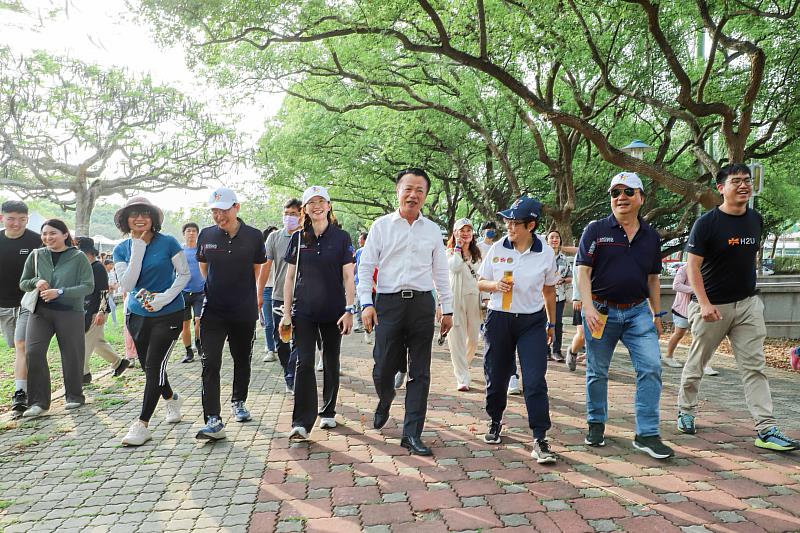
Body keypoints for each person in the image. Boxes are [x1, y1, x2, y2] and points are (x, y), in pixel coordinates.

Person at [677, 164, 799, 451]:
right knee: (698, 362)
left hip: (747, 305)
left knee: (755, 367)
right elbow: (692, 266)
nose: (743, 186)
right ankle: (686, 410)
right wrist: (704, 303)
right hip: (711, 308)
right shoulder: (706, 224)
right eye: (736, 182)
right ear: (721, 188)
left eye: (747, 181)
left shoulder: (755, 219)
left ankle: (766, 428)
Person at [576, 172, 674, 460]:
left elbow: (653, 278)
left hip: (637, 313)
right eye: (615, 192)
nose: (621, 197)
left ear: (641, 198)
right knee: (597, 371)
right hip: (601, 312)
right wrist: (588, 306)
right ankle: (596, 422)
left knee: (651, 367)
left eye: (628, 192)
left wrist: (657, 314)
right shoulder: (595, 230)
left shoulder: (651, 236)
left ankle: (647, 433)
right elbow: (583, 271)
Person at [358, 167, 453, 456]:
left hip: (422, 304)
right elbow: (365, 267)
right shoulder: (381, 226)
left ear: (425, 195)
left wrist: (446, 308)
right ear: (398, 191)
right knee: (382, 366)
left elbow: (440, 271)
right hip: (389, 303)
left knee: (420, 372)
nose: (413, 195)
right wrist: (366, 303)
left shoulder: (432, 230)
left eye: (419, 190)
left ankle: (411, 433)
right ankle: (385, 399)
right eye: (408, 189)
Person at [477, 196, 559, 464]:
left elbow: (549, 290)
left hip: (531, 322)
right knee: (497, 375)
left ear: (531, 225)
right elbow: (480, 282)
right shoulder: (497, 247)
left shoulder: (545, 252)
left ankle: (539, 438)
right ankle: (495, 420)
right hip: (499, 318)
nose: (509, 227)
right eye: (507, 221)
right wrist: (494, 286)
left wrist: (552, 323)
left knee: (535, 380)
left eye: (515, 222)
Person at [281, 186, 356, 440]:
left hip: (334, 311)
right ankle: (301, 421)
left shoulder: (342, 237)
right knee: (304, 362)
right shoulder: (298, 238)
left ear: (328, 205)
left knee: (331, 360)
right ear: (305, 209)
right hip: (303, 310)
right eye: (311, 202)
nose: (316, 206)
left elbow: (348, 276)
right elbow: (289, 277)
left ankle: (328, 410)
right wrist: (286, 314)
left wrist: (349, 309)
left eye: (320, 201)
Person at [113, 197, 189, 446]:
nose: (140, 218)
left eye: (145, 213)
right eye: (134, 214)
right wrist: (138, 249)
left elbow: (184, 274)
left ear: (153, 217)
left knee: (154, 366)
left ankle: (142, 424)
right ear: (126, 220)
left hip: (168, 314)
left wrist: (164, 298)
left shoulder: (168, 242)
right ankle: (171, 398)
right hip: (137, 315)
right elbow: (127, 284)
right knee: (150, 368)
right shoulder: (121, 249)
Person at [196, 187, 267, 440]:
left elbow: (259, 267)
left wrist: (253, 295)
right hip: (213, 310)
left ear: (236, 207)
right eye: (215, 211)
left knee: (241, 359)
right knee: (210, 362)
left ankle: (239, 401)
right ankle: (212, 418)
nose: (219, 216)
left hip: (243, 310)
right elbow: (203, 267)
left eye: (223, 210)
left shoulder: (254, 236)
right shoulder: (206, 235)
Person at [19, 219, 93, 418]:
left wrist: (60, 291)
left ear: (65, 235)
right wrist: (36, 281)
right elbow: (23, 283)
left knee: (71, 354)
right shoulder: (36, 255)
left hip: (70, 312)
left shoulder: (78, 257)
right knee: (33, 352)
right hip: (40, 312)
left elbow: (88, 286)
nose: (48, 237)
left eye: (53, 233)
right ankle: (38, 402)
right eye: (44, 234)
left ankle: (75, 396)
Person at [0, 200, 42, 418]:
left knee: (21, 345)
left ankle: (20, 392)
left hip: (28, 303)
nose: (16, 223)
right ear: (2, 218)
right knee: (16, 347)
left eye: (21, 219)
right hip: (2, 306)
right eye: (11, 219)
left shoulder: (37, 241)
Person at [257, 198, 303, 393]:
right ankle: (287, 371)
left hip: (303, 297)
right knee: (282, 340)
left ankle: (294, 375)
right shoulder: (274, 238)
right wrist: (258, 295)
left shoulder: (307, 236)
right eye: (286, 213)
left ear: (302, 215)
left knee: (300, 340)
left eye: (293, 214)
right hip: (278, 296)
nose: (289, 217)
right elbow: (265, 268)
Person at [77, 237, 130, 383]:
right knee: (97, 342)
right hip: (87, 310)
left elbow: (104, 292)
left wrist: (101, 311)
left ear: (88, 253)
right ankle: (119, 363)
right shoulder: (86, 268)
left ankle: (83, 374)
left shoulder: (98, 268)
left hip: (97, 312)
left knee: (85, 343)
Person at [445, 218, 482, 392]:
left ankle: (463, 364)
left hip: (473, 298)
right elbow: (455, 268)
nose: (465, 234)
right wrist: (458, 249)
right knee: (456, 339)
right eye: (461, 230)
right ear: (455, 232)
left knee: (474, 339)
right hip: (455, 299)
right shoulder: (449, 253)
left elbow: (482, 276)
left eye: (468, 230)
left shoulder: (477, 253)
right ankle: (462, 377)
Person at [663, 264, 718, 374]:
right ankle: (668, 356)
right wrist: (696, 290)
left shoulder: (708, 267)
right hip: (683, 308)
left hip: (701, 308)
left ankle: (704, 364)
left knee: (702, 335)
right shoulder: (684, 269)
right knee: (679, 333)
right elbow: (676, 285)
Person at [179, 222, 205, 363]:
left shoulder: (201, 250)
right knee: (185, 324)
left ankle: (199, 345)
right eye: (188, 231)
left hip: (200, 292)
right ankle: (189, 352)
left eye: (194, 231)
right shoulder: (179, 251)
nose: (191, 233)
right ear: (184, 234)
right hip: (183, 292)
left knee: (199, 321)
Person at [546, 230, 572, 363]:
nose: (554, 240)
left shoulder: (564, 259)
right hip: (543, 297)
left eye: (557, 237)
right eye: (552, 237)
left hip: (559, 296)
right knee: (544, 323)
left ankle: (556, 351)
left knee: (557, 324)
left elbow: (570, 276)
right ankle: (545, 351)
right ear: (547, 241)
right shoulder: (542, 257)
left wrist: (563, 280)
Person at [260, 226, 279, 362]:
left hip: (280, 289)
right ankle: (271, 349)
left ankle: (281, 345)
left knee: (280, 321)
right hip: (266, 289)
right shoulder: (262, 253)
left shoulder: (284, 250)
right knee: (268, 322)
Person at [566, 254, 585, 372]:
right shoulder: (585, 247)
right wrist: (577, 297)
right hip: (582, 300)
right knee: (582, 334)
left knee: (599, 335)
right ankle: (572, 352)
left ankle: (592, 360)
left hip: (601, 300)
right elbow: (576, 273)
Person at [103, 259, 119, 325]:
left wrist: (113, 287)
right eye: (110, 264)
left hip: (111, 293)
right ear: (106, 265)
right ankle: (114, 322)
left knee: (109, 307)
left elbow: (115, 283)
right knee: (112, 306)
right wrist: (110, 287)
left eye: (112, 264)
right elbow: (105, 284)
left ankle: (107, 322)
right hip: (105, 293)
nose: (112, 266)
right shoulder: (103, 273)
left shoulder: (112, 273)